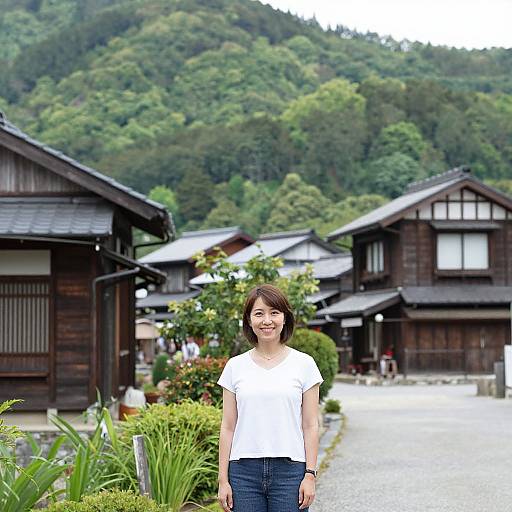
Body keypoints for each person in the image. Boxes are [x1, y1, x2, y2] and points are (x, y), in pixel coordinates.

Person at [217, 284, 323, 512]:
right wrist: (223, 480)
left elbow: (311, 425)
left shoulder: (304, 364)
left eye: (274, 312)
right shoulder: (235, 367)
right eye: (259, 313)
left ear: (285, 318)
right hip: (243, 473)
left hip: (291, 472)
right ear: (248, 321)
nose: (267, 320)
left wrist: (310, 475)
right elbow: (227, 426)